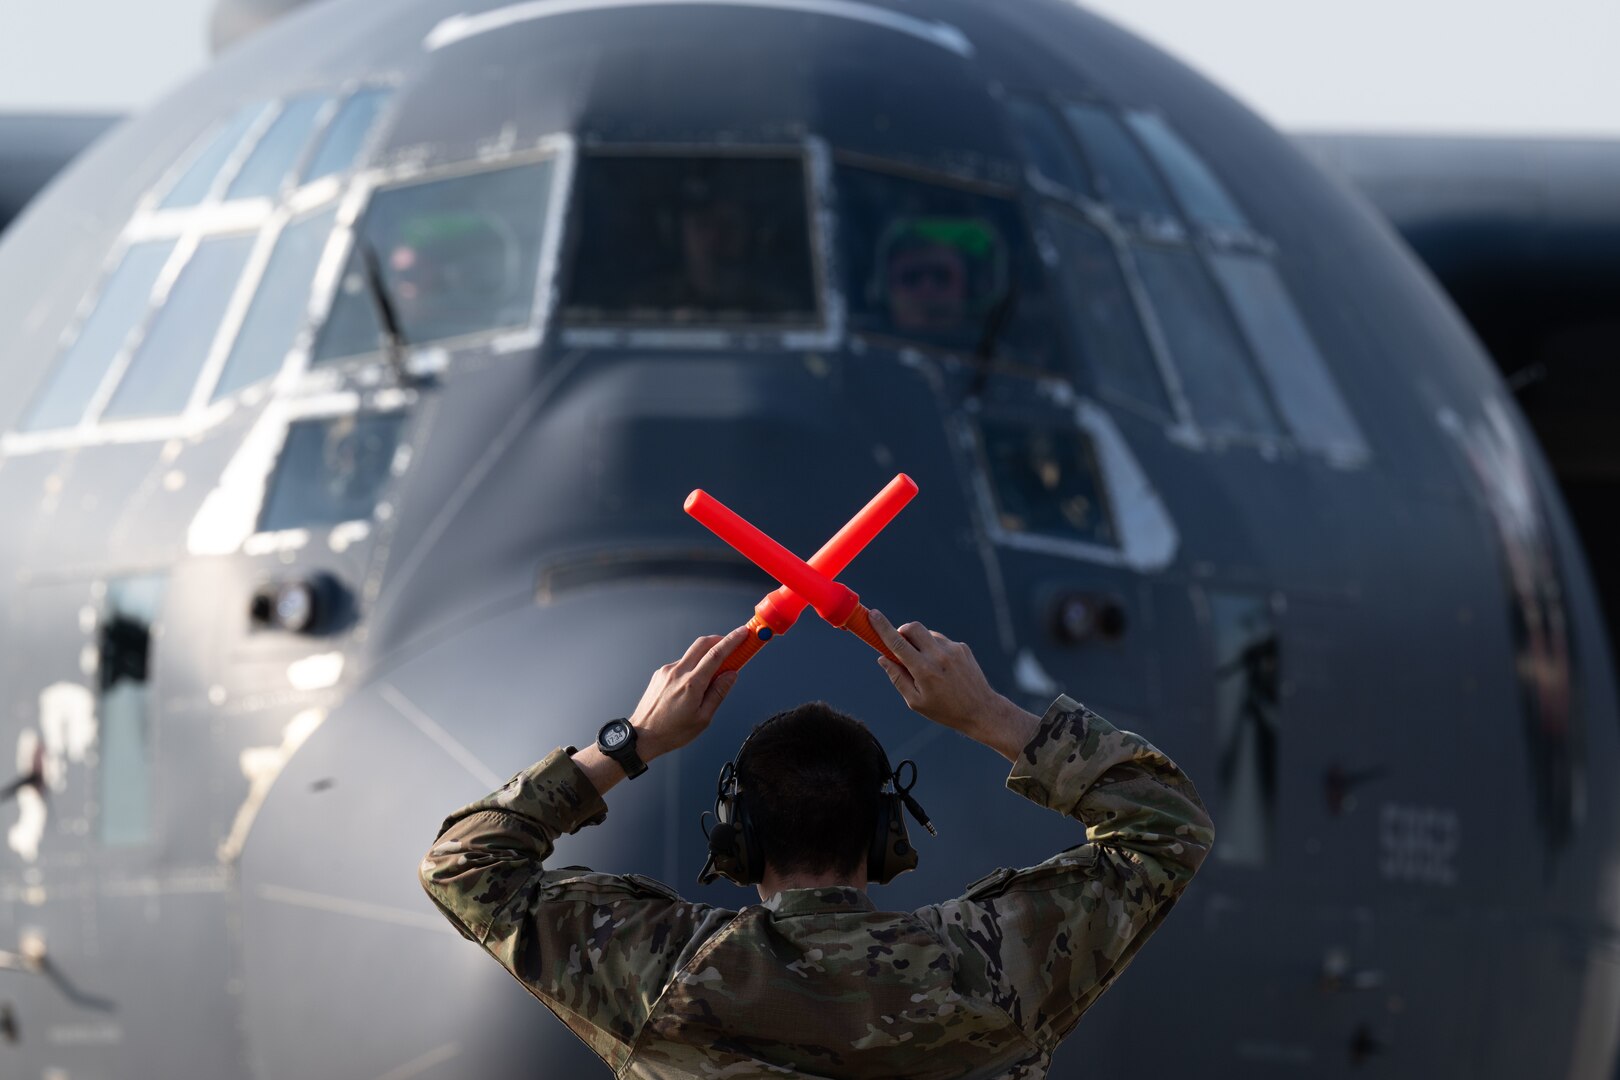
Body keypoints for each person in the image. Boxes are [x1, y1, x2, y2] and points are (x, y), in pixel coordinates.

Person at [420, 612, 1213, 1078]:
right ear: (884, 836)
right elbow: (1165, 828)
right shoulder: (989, 969)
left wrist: (633, 742)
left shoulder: (665, 976)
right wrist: (987, 716)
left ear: (739, 840)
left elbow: (465, 863)